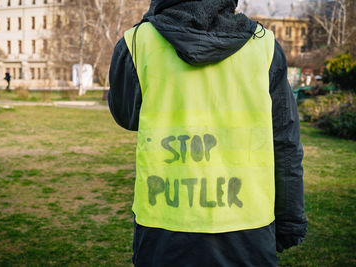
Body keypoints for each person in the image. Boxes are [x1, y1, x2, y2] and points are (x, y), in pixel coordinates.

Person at [108, 0, 307, 266]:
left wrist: (154, 18)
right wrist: (289, 221)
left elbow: (127, 116)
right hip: (248, 227)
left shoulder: (137, 43)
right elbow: (285, 143)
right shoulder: (264, 46)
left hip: (164, 229)